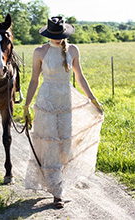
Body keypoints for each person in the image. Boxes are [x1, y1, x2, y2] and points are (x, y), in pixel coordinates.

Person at [23, 16, 104, 208]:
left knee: (64, 147)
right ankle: (57, 192)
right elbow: (34, 80)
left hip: (65, 101)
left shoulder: (73, 50)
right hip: (45, 102)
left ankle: (56, 183)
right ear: (48, 34)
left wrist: (93, 99)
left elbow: (80, 76)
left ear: (64, 33)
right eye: (53, 35)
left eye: (59, 35)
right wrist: (26, 106)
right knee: (49, 146)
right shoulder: (39, 52)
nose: (57, 38)